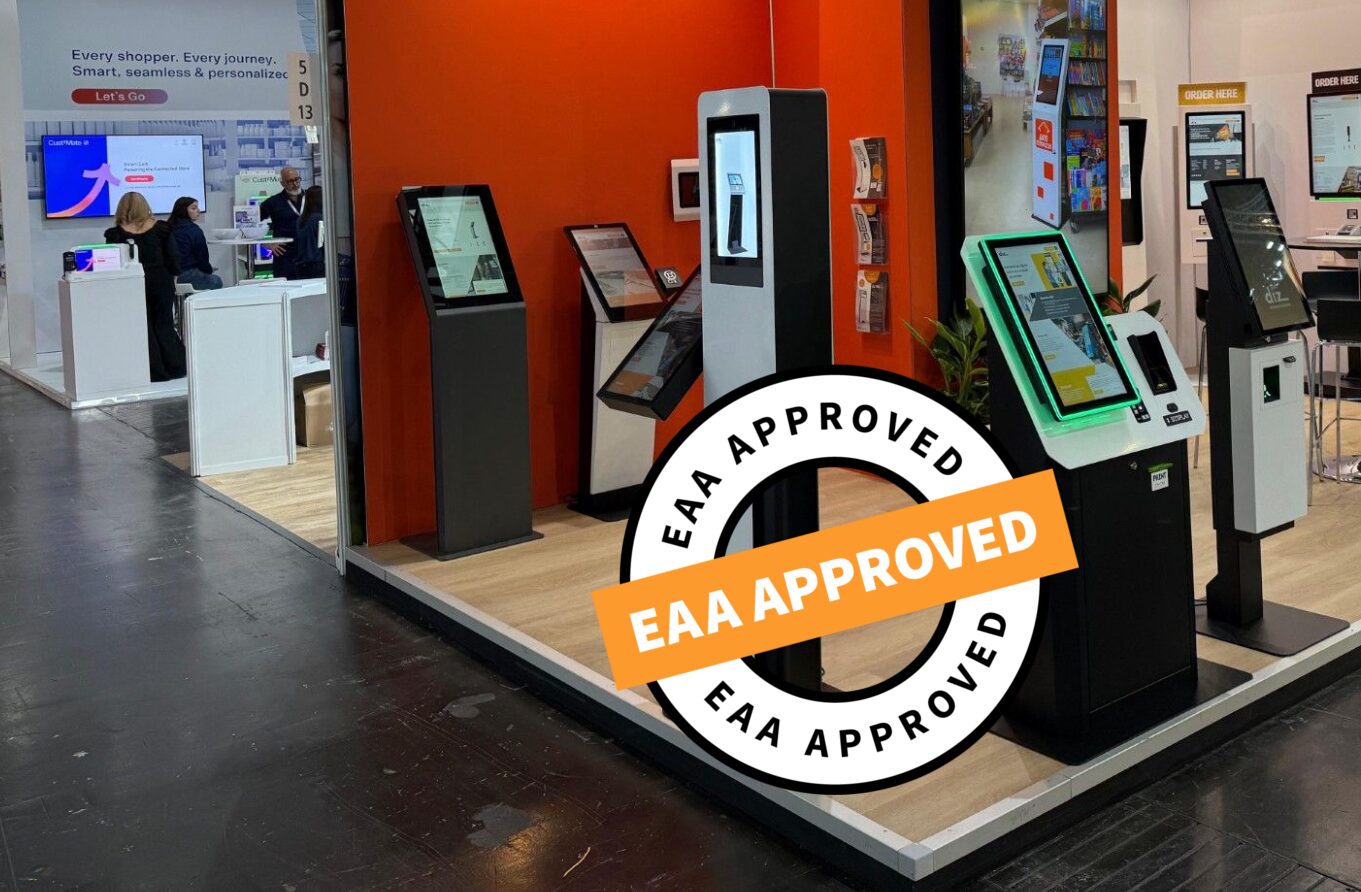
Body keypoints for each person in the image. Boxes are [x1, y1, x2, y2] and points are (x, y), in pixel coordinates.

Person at [104, 192, 186, 381]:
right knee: (164, 322)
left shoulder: (115, 234)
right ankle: (175, 366)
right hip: (161, 281)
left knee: (143, 325)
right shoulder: (162, 229)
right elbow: (173, 257)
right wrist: (174, 274)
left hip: (132, 283)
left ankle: (153, 370)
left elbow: (113, 263)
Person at [258, 167, 306, 279]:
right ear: (282, 183)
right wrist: (265, 243)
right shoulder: (273, 203)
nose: (295, 184)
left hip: (310, 256)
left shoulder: (311, 198)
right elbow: (251, 224)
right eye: (290, 181)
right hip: (285, 258)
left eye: (297, 179)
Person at [167, 197, 223, 290]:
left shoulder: (167, 228)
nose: (198, 211)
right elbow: (202, 257)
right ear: (183, 211)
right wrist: (208, 270)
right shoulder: (194, 230)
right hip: (187, 274)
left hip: (168, 275)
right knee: (217, 281)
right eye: (193, 208)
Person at [293, 185, 325, 279]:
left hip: (301, 266)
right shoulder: (319, 218)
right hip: (317, 264)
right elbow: (323, 243)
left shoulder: (300, 220)